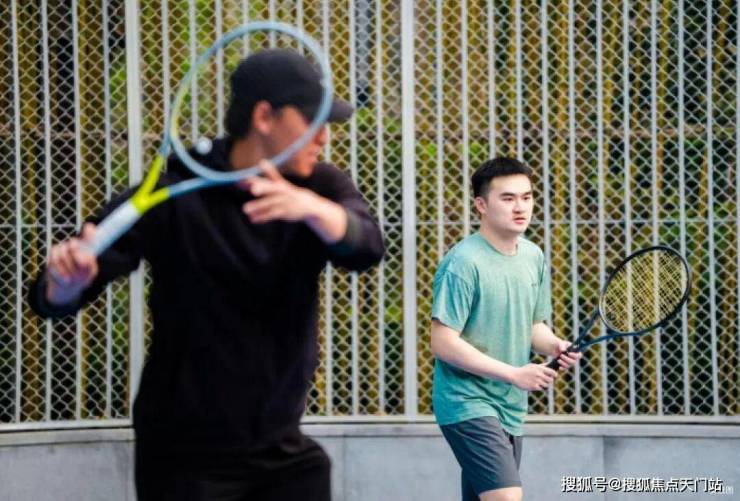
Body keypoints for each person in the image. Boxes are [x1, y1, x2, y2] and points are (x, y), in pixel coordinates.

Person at [29, 49, 385, 501]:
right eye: (312, 120)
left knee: (313, 472)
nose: (324, 137)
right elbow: (54, 295)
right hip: (184, 454)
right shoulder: (177, 190)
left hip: (279, 447)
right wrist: (64, 284)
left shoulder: (320, 187)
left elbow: (367, 247)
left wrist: (312, 210)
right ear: (264, 116)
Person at [430, 157, 581, 501]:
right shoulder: (462, 263)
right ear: (481, 205)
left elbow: (533, 326)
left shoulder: (533, 256)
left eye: (526, 197)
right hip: (467, 402)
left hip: (510, 406)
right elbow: (443, 342)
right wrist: (514, 374)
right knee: (506, 497)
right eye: (508, 198)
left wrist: (555, 345)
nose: (520, 207)